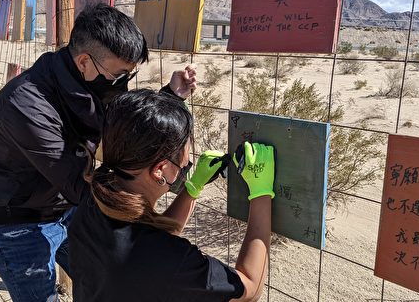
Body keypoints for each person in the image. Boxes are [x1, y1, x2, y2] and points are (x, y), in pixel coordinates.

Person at [0, 3, 197, 302]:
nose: (122, 84)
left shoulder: (89, 83)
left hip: (63, 207)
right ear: (85, 62)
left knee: (103, 283)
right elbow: (83, 187)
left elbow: (121, 126)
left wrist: (171, 96)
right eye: (118, 75)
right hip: (15, 222)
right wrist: (151, 231)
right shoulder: (26, 106)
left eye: (129, 74)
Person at [69, 89, 275, 302]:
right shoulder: (172, 260)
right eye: (183, 155)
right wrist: (261, 193)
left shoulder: (93, 201)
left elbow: (152, 240)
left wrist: (192, 188)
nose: (186, 161)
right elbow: (250, 287)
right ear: (160, 169)